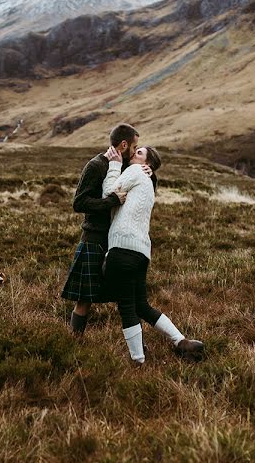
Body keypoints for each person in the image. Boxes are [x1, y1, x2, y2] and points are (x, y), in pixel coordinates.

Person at [102, 145, 204, 364]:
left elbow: (108, 194)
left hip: (123, 247)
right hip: (141, 252)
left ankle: (138, 361)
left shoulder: (136, 171)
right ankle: (182, 342)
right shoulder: (148, 180)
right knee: (141, 305)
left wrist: (114, 165)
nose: (134, 152)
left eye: (140, 152)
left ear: (147, 163)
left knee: (127, 307)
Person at [61, 123, 149, 334]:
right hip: (94, 239)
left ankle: (135, 344)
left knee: (126, 297)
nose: (136, 150)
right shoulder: (96, 165)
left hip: (117, 241)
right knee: (84, 300)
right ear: (124, 144)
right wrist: (111, 201)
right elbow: (79, 203)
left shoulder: (127, 167)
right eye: (134, 146)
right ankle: (74, 341)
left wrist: (149, 172)